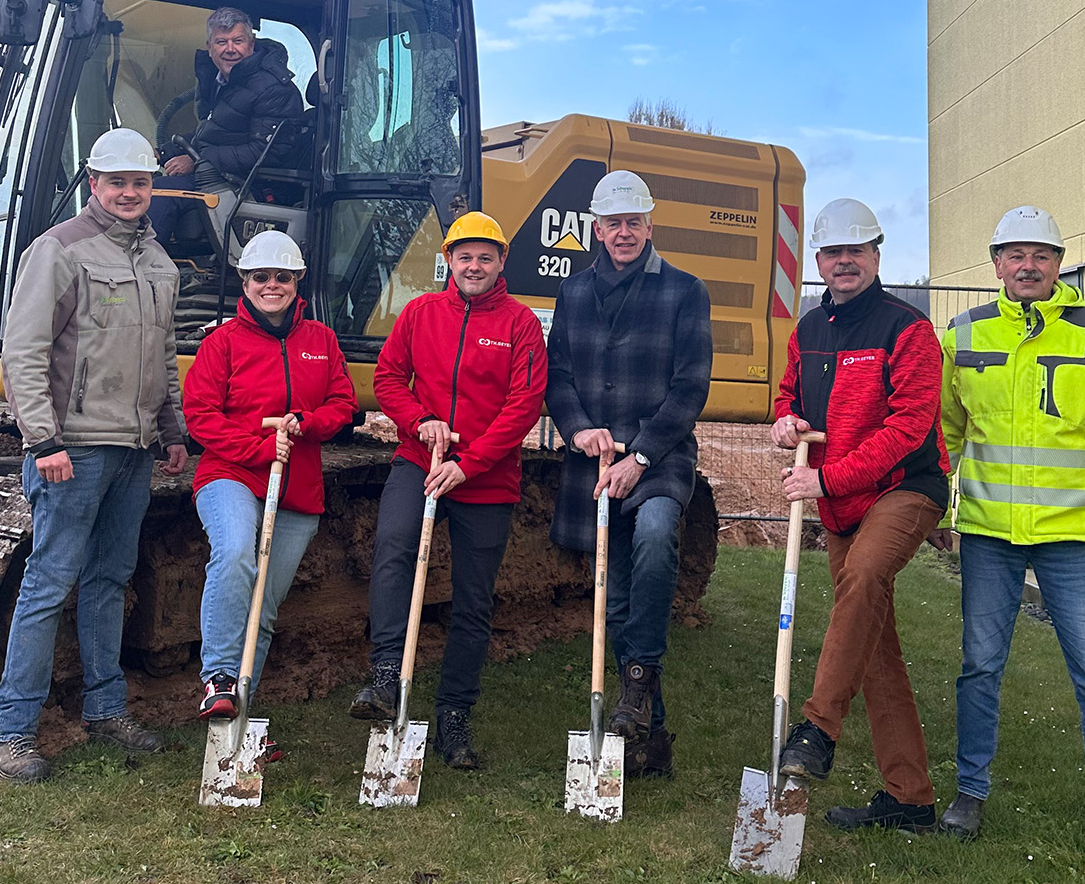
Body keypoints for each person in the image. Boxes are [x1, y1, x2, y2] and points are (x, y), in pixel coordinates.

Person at [929, 205, 1085, 880]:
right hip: (991, 536)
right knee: (979, 666)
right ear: (995, 263)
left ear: (1060, 264)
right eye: (1014, 255)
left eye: (1041, 255)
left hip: (1073, 539)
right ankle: (970, 796)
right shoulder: (963, 333)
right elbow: (946, 431)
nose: (1027, 266)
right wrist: (943, 511)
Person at [0, 128, 188, 783]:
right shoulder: (59, 250)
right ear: (94, 183)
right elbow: (23, 352)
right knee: (49, 583)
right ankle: (13, 732)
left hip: (133, 452)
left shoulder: (160, 263)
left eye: (140, 182)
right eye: (117, 181)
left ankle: (106, 711)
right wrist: (41, 440)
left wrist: (172, 430)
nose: (129, 192)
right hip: (71, 450)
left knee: (109, 581)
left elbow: (161, 357)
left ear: (151, 187)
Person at [769, 198, 950, 832]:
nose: (845, 262)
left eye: (857, 251)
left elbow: (908, 429)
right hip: (840, 500)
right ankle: (911, 798)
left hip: (906, 488)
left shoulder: (909, 330)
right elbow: (789, 393)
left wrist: (826, 477)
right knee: (872, 646)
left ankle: (816, 729)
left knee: (865, 578)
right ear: (818, 261)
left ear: (876, 257)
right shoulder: (809, 330)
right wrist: (784, 420)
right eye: (833, 253)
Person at [347, 211, 548, 769]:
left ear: (501, 263)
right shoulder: (420, 313)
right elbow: (388, 377)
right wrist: (419, 421)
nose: (474, 266)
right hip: (420, 458)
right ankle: (387, 677)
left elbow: (523, 406)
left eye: (486, 257)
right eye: (465, 257)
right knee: (392, 547)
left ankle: (454, 716)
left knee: (473, 600)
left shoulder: (520, 324)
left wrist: (470, 463)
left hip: (486, 477)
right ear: (450, 262)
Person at [545, 170, 712, 779]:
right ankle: (649, 730)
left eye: (632, 222)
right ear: (596, 228)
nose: (623, 233)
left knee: (654, 533)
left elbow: (691, 386)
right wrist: (578, 429)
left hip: (659, 458)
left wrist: (639, 455)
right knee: (614, 603)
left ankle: (637, 676)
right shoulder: (574, 293)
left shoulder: (685, 291)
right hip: (593, 462)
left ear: (649, 225)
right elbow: (556, 375)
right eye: (612, 223)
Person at [182, 230, 357, 725]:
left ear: (298, 280)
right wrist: (260, 447)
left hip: (297, 486)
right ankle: (218, 676)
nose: (272, 285)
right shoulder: (222, 343)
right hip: (230, 473)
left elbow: (342, 403)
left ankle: (238, 716)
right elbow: (201, 416)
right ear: (245, 281)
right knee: (237, 552)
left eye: (283, 276)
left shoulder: (321, 341)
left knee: (266, 604)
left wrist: (306, 421)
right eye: (261, 277)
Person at [147, 6, 303, 241]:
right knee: (142, 187)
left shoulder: (273, 89)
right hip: (220, 176)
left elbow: (268, 152)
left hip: (252, 186)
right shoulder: (222, 83)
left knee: (160, 193)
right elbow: (214, 133)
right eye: (221, 42)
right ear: (210, 48)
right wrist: (160, 153)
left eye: (237, 41)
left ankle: (145, 267)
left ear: (251, 44)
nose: (230, 49)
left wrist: (198, 162)